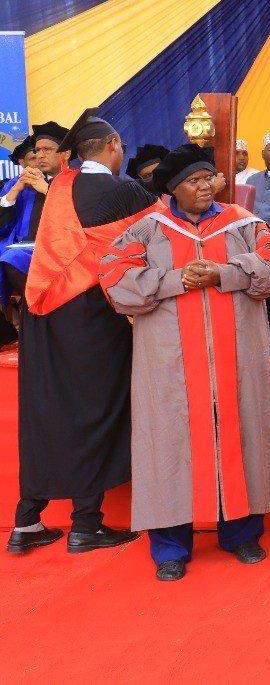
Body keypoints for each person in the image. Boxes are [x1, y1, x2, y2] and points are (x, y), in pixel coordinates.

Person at [99, 145, 270, 581]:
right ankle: (170, 547)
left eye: (209, 178)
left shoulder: (244, 223)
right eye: (194, 181)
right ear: (173, 189)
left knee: (239, 434)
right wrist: (176, 280)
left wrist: (226, 273)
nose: (206, 187)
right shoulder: (147, 230)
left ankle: (241, 534)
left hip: (235, 358)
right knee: (169, 445)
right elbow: (114, 282)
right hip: (170, 363)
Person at [6, 109, 160, 556]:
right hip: (93, 313)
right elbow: (160, 238)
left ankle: (27, 522)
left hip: (43, 313)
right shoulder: (127, 191)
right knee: (96, 407)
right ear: (112, 146)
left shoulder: (59, 186)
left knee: (47, 409)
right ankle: (86, 526)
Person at [0, 125, 67, 347]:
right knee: (10, 256)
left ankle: (41, 319)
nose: (40, 156)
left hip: (60, 246)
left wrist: (46, 189)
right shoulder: (20, 183)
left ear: (65, 153)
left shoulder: (74, 180)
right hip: (20, 244)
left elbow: (76, 215)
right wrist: (16, 189)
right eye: (37, 151)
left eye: (47, 150)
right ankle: (6, 330)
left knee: (12, 259)